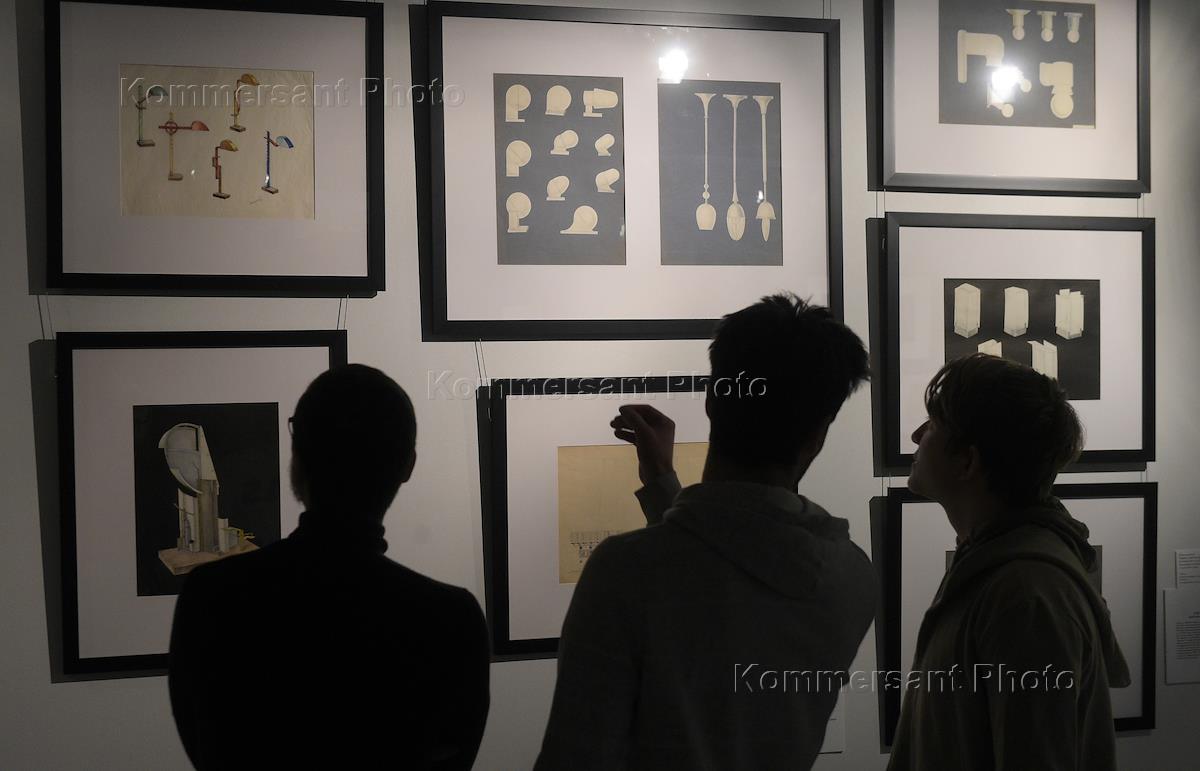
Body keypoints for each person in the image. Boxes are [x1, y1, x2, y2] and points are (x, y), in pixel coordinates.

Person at [534, 294, 877, 770]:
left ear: (712, 399)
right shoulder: (852, 577)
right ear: (821, 430)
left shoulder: (624, 571)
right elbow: (729, 569)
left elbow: (575, 757)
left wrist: (664, 487)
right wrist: (662, 482)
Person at [168, 364, 490, 770]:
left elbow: (206, 745)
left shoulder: (214, 597)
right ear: (407, 466)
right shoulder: (452, 620)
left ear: (297, 460)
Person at [887, 354, 1129, 771]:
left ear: (967, 461)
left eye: (933, 425)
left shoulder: (1028, 594)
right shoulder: (996, 565)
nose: (915, 435)